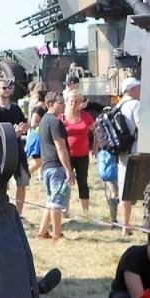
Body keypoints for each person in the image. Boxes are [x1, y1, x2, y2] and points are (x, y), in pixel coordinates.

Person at [0, 78, 30, 216]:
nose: (7, 90)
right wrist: (13, 133)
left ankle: (19, 214)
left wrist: (24, 128)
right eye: (3, 88)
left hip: (18, 151)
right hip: (2, 154)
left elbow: (25, 125)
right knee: (1, 187)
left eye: (8, 87)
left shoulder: (16, 108)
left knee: (22, 183)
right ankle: (2, 213)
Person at [35, 93, 71, 240]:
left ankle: (42, 232)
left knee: (50, 201)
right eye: (60, 103)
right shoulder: (55, 122)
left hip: (46, 166)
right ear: (50, 104)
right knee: (56, 203)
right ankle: (57, 234)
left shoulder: (43, 120)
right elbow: (60, 147)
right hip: (56, 166)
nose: (63, 105)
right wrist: (68, 170)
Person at [114, 78, 142, 235]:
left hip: (122, 152)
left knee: (123, 189)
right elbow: (141, 126)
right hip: (136, 150)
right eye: (137, 88)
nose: (139, 90)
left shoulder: (117, 106)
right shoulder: (136, 105)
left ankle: (125, 225)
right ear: (131, 89)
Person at [61, 89, 96, 218]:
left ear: (81, 103)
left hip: (82, 155)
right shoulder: (61, 117)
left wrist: (95, 147)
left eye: (76, 102)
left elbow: (95, 131)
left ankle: (86, 211)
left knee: (83, 182)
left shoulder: (86, 116)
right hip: (67, 155)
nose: (73, 104)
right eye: (71, 101)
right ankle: (64, 210)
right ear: (67, 102)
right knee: (66, 181)